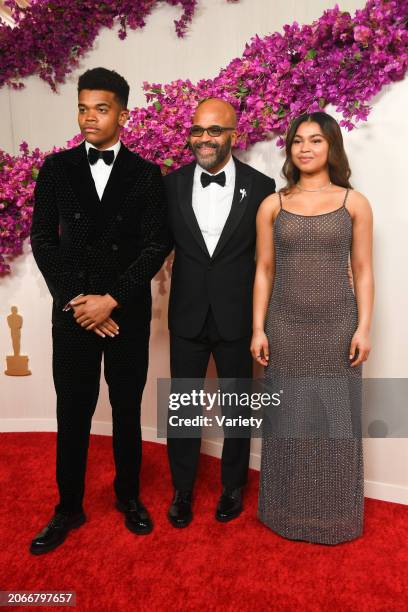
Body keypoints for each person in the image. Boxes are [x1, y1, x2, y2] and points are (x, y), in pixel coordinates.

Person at [29, 67, 170, 554]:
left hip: (124, 311)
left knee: (127, 408)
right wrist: (77, 301)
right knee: (72, 411)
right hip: (72, 313)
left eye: (101, 109)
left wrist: (111, 300)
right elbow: (43, 240)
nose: (90, 117)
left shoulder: (147, 175)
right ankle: (68, 507)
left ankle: (129, 497)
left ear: (123, 115)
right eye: (83, 108)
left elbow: (156, 245)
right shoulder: (55, 168)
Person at [251, 112, 374, 544]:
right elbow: (264, 269)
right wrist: (258, 328)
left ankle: (335, 516)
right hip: (283, 325)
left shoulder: (353, 202)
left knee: (336, 419)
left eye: (315, 140)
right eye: (298, 141)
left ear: (331, 147)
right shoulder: (273, 204)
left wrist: (363, 327)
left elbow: (362, 269)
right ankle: (284, 513)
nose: (305, 148)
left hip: (338, 324)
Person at [164, 98, 276, 527]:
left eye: (214, 131)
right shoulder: (170, 185)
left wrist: (263, 322)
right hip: (187, 315)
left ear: (233, 134)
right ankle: (182, 489)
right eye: (197, 130)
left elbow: (269, 259)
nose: (204, 139)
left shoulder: (261, 186)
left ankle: (233, 486)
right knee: (185, 407)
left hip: (236, 316)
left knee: (237, 408)